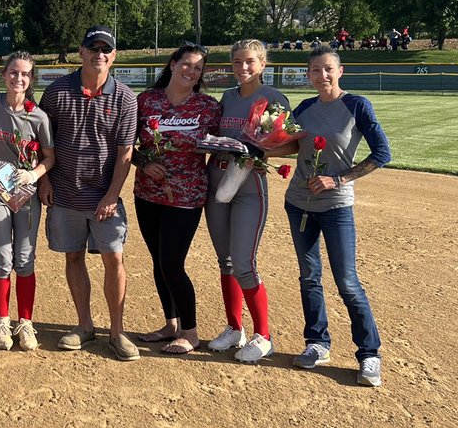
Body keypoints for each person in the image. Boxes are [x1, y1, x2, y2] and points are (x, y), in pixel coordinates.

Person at [280, 45, 391, 387]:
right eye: (315, 70)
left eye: (328, 69)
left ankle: (369, 354)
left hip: (336, 205)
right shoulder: (305, 108)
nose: (322, 76)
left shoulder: (356, 105)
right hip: (299, 202)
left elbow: (382, 153)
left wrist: (339, 178)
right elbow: (287, 143)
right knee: (309, 276)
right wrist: (254, 145)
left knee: (347, 281)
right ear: (309, 74)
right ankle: (317, 343)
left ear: (339, 71)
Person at [38, 25, 139, 361]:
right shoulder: (55, 93)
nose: (99, 55)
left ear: (114, 56)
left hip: (103, 197)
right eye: (93, 48)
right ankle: (84, 326)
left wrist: (112, 194)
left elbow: (125, 152)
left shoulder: (124, 97)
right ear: (81, 52)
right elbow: (40, 142)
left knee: (114, 258)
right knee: (74, 257)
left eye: (106, 50)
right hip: (65, 193)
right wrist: (44, 181)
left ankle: (117, 331)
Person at [204, 38, 289, 363]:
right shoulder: (227, 97)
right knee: (225, 262)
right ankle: (234, 328)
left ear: (262, 64)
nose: (243, 67)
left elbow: (290, 144)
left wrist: (260, 150)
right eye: (238, 62)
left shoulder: (270, 98)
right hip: (217, 182)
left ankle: (263, 335)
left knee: (243, 263)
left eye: (250, 61)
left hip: (248, 186)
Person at [133, 45, 221, 354]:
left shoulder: (208, 107)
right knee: (158, 261)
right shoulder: (146, 101)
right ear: (173, 64)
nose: (191, 71)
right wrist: (144, 163)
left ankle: (190, 332)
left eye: (198, 68)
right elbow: (126, 145)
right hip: (147, 193)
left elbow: (224, 144)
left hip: (187, 194)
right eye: (186, 64)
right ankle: (170, 324)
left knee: (172, 262)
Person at [0, 51, 55, 351]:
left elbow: (50, 157)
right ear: (4, 74)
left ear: (31, 79)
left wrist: (35, 174)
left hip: (26, 195)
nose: (18, 78)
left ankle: (25, 322)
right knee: (2, 259)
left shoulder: (38, 116)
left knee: (24, 260)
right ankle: (2, 319)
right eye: (13, 72)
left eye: (25, 74)